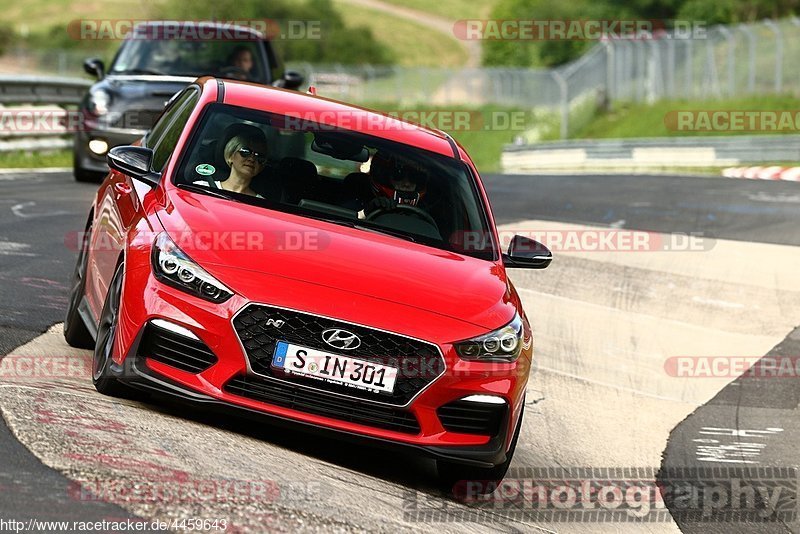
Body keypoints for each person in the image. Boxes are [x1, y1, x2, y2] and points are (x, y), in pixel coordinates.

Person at [195, 126, 268, 198]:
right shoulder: (200, 188)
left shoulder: (263, 205)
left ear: (261, 165)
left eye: (259, 156)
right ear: (230, 155)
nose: (252, 159)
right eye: (245, 152)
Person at [364, 151, 428, 216]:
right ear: (385, 178)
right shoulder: (364, 199)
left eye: (413, 177)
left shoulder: (428, 209)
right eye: (398, 175)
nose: (406, 184)